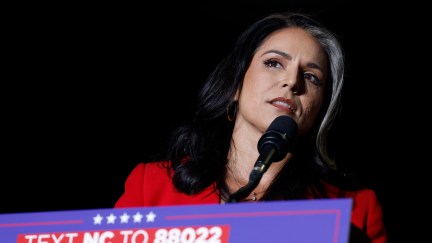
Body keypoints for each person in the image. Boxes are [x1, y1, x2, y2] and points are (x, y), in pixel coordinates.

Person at [115, 12, 387, 243]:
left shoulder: (357, 210)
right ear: (236, 84)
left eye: (310, 76)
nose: (292, 82)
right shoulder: (149, 185)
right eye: (273, 63)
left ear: (319, 108)